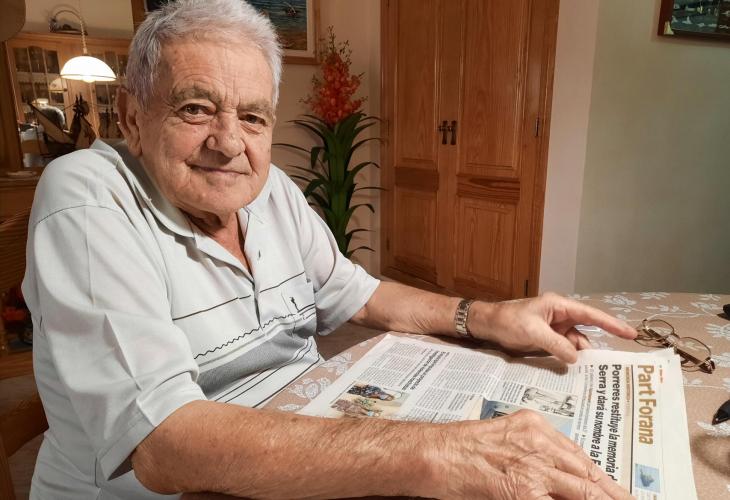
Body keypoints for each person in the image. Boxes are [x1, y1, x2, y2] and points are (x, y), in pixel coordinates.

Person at [21, 0, 636, 498]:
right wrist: (438, 453)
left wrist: (485, 316)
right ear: (132, 117)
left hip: (297, 456)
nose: (229, 142)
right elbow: (165, 445)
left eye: (253, 117)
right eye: (196, 108)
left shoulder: (270, 191)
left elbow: (360, 295)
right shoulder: (87, 197)